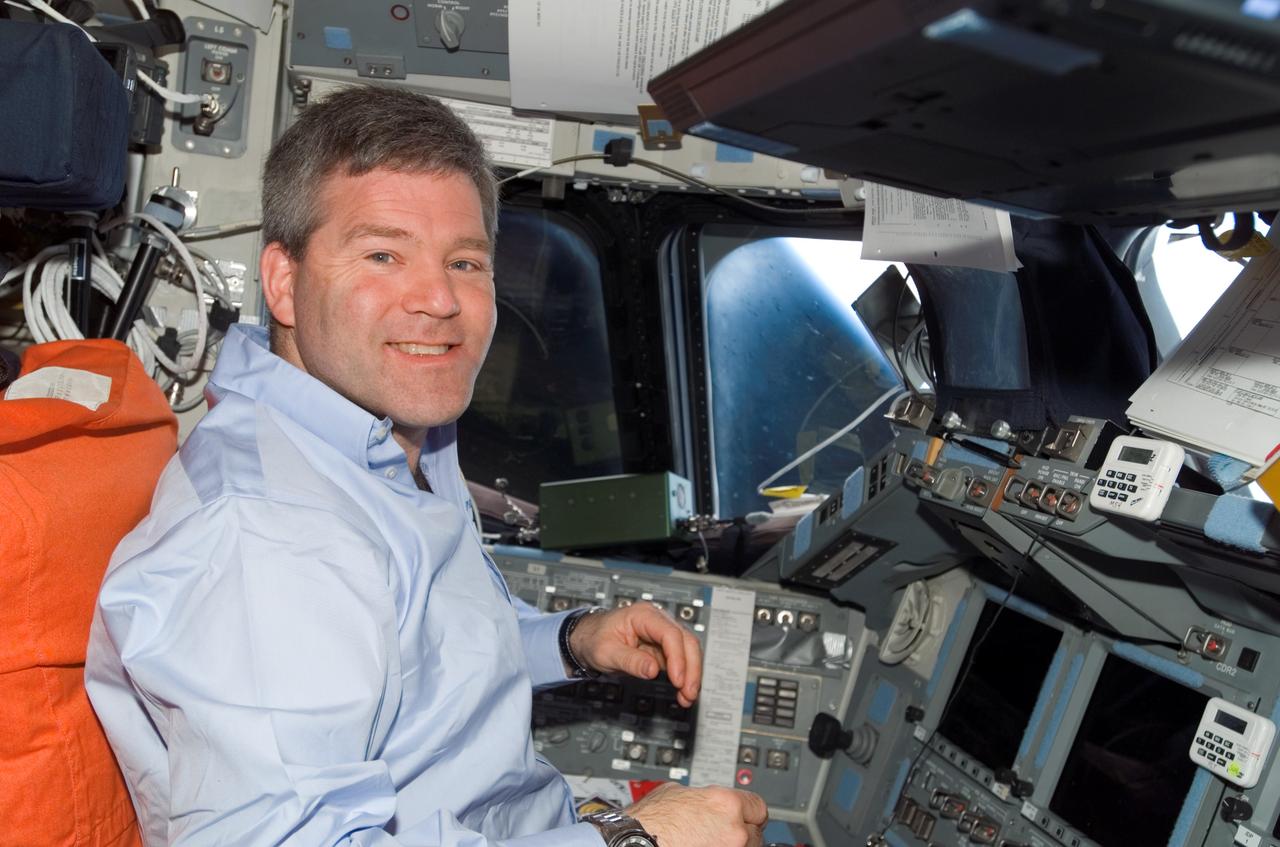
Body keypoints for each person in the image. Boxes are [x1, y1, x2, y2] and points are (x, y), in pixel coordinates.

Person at [85, 86, 768, 847]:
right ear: (282, 282)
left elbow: (414, 656)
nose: (441, 299)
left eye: (465, 262)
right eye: (384, 254)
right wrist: (633, 841)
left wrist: (569, 640)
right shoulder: (269, 537)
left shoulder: (385, 441)